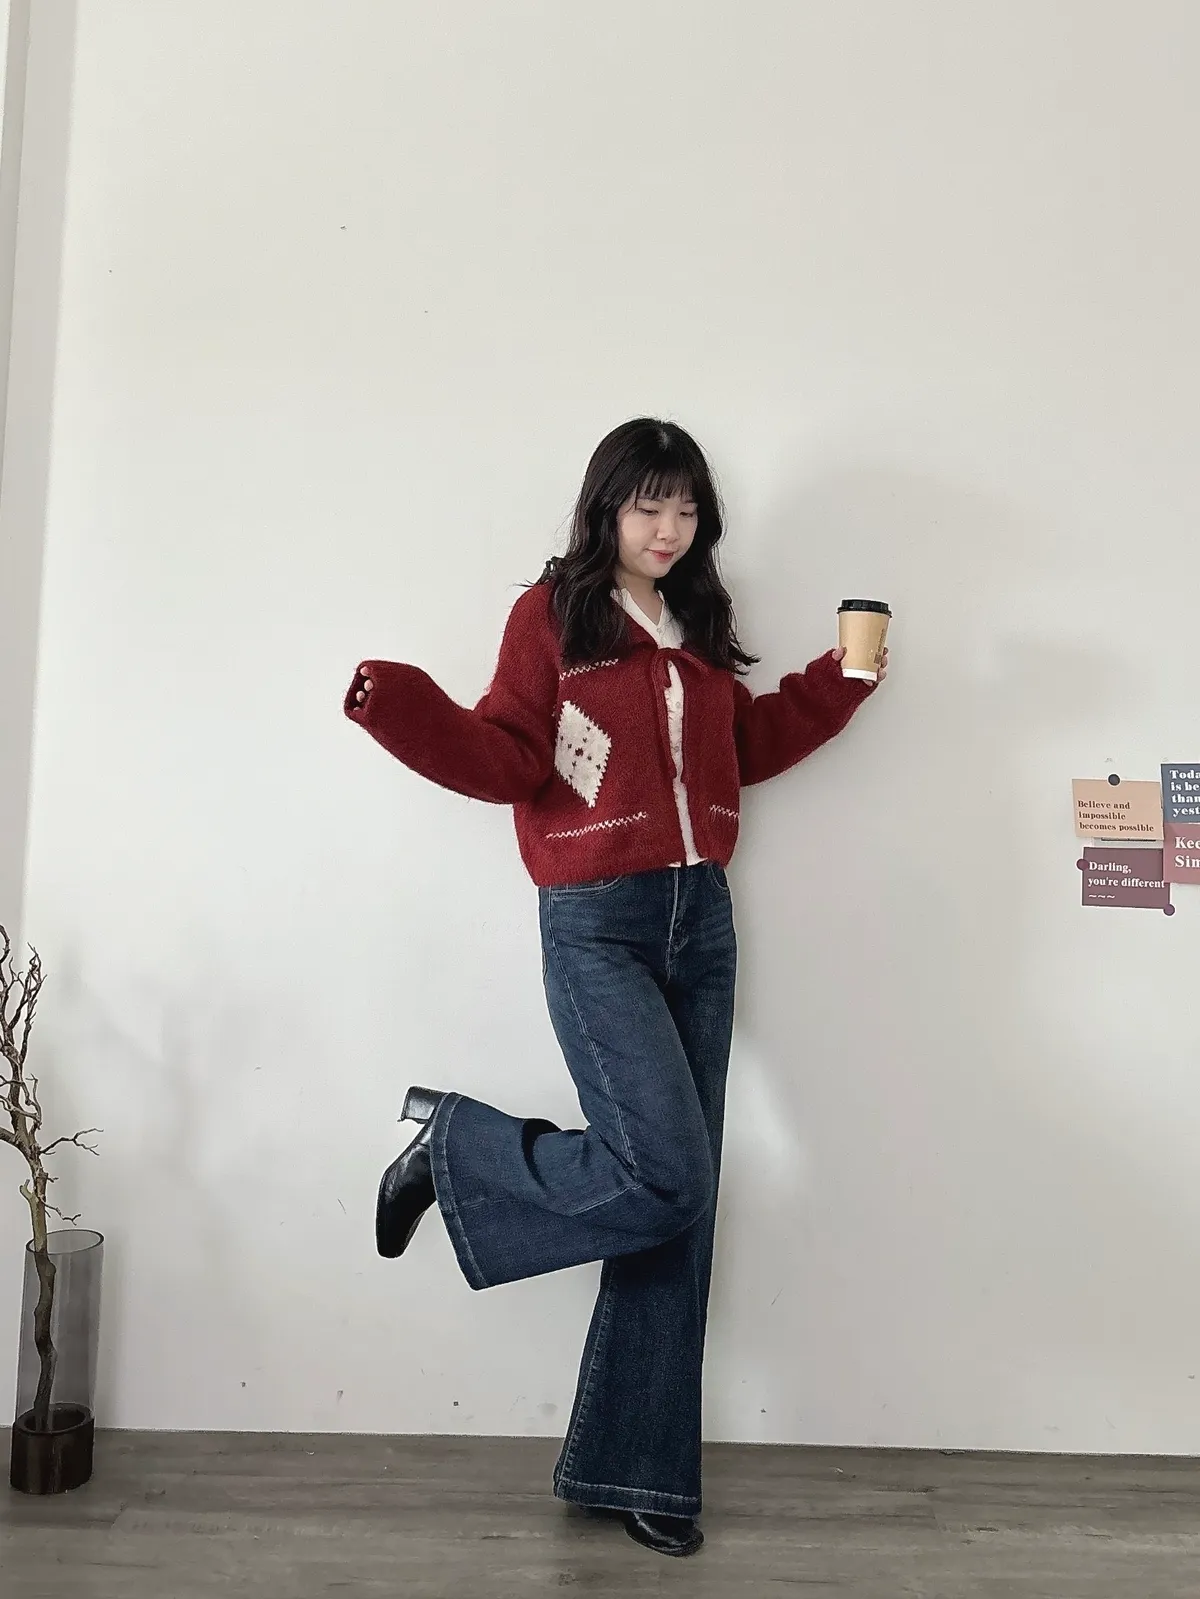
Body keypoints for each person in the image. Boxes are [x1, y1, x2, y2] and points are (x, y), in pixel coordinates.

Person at [344, 418, 886, 1559]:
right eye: (649, 505)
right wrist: (399, 705)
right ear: (606, 508)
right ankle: (456, 1146)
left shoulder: (698, 621)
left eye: (686, 509)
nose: (668, 528)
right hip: (597, 921)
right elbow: (506, 754)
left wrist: (841, 681)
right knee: (670, 1171)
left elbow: (745, 746)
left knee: (680, 1201)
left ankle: (635, 1470)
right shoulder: (553, 618)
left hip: (704, 922)